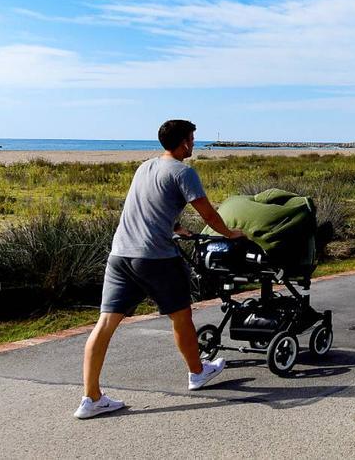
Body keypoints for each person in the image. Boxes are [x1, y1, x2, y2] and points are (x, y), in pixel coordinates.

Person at [75, 120, 246, 420]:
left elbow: (146, 206)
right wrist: (230, 234)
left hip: (120, 255)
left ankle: (91, 398)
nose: (194, 143)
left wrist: (176, 227)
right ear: (183, 143)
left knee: (104, 325)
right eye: (192, 139)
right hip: (155, 258)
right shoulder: (184, 172)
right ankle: (197, 372)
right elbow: (207, 211)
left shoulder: (144, 167)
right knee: (181, 315)